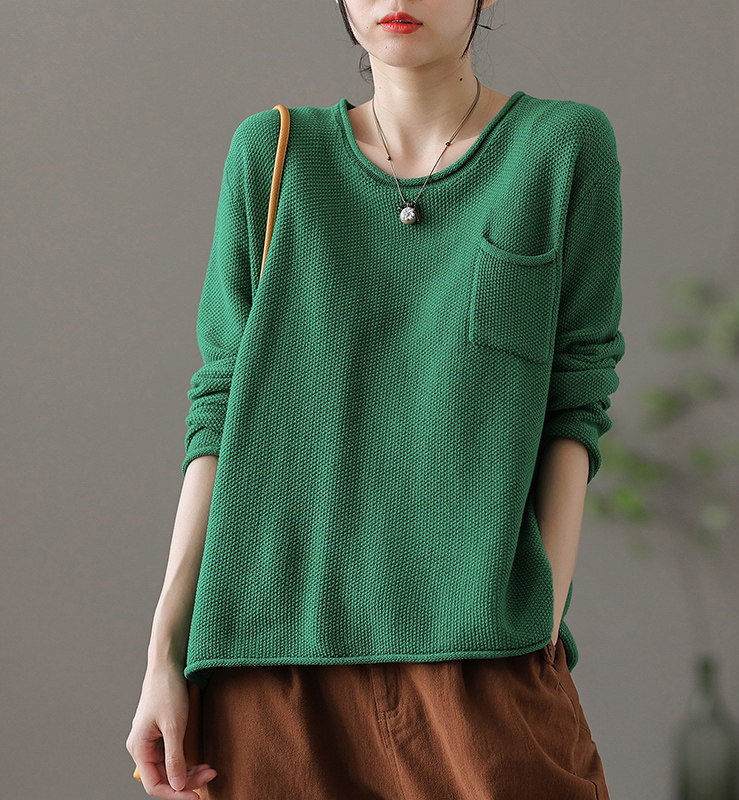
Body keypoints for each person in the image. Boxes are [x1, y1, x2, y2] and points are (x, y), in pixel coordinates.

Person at [126, 1, 625, 798]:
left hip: (480, 662)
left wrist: (537, 617)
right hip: (270, 670)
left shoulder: (561, 146)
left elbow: (577, 391)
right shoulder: (273, 154)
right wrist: (164, 654)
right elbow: (220, 404)